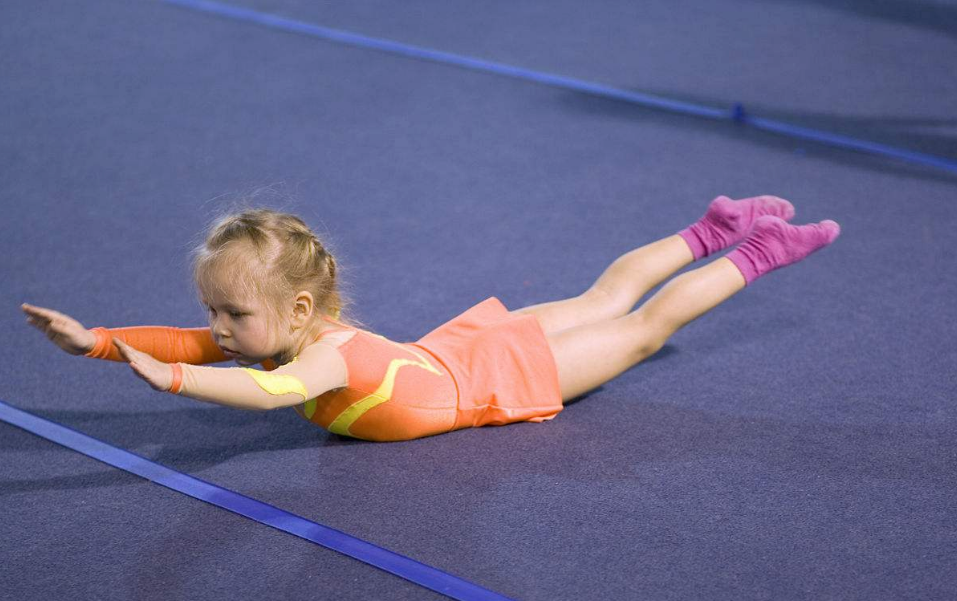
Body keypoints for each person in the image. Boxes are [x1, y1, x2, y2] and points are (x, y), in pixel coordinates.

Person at [21, 200, 839, 442]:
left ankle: (753, 249)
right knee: (599, 299)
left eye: (232, 311)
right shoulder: (267, 337)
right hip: (457, 352)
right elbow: (186, 342)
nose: (216, 329)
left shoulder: (326, 357)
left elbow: (270, 395)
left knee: (638, 327)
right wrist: (98, 341)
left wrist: (172, 379)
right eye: (214, 311)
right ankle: (711, 227)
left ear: (299, 309)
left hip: (495, 372)